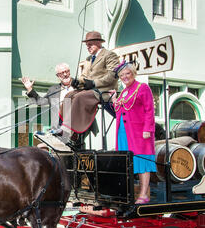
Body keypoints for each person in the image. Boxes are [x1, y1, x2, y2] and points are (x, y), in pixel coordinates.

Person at [58, 31, 120, 146]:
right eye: (87, 44)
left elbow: (112, 76)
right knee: (69, 95)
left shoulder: (110, 55)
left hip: (105, 91)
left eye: (90, 44)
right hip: (90, 91)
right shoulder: (88, 59)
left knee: (80, 97)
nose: (88, 46)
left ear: (98, 43)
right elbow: (84, 77)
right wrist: (77, 82)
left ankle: (70, 131)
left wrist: (94, 83)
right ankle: (66, 128)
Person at [110, 61, 156, 204]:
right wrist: (114, 100)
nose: (125, 77)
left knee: (142, 161)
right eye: (122, 75)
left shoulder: (142, 87)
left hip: (139, 132)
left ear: (133, 73)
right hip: (123, 132)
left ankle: (143, 194)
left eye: (127, 73)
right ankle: (128, 195)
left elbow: (150, 110)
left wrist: (148, 129)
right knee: (126, 162)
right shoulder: (124, 92)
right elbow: (120, 110)